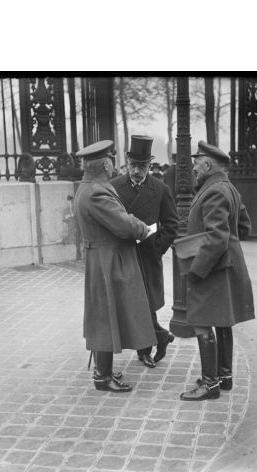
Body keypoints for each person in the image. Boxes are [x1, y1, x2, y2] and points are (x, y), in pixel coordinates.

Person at [74, 140, 158, 392]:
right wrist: (143, 228)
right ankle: (102, 377)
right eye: (110, 159)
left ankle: (105, 371)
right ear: (104, 164)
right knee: (105, 317)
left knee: (104, 316)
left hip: (101, 257)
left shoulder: (89, 188)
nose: (113, 163)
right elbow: (123, 225)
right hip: (108, 259)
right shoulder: (97, 192)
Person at [178, 141, 255, 401]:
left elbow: (216, 236)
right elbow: (244, 227)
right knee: (222, 321)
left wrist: (197, 270)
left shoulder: (213, 191)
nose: (194, 168)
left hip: (212, 268)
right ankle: (224, 377)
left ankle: (210, 384)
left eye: (196, 163)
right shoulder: (228, 188)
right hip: (225, 265)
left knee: (200, 320)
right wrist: (230, 248)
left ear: (207, 164)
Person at [111, 135, 179, 367]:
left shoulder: (160, 189)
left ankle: (145, 350)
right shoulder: (114, 187)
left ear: (150, 166)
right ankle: (159, 338)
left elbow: (172, 225)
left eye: (142, 166)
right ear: (127, 163)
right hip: (124, 254)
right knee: (131, 303)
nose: (137, 170)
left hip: (148, 255)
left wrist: (157, 248)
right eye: (133, 165)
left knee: (146, 304)